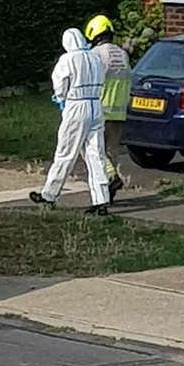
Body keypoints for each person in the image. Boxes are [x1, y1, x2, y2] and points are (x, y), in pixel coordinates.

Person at [30, 28, 111, 215]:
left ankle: (49, 194)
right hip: (96, 105)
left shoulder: (67, 60)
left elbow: (60, 86)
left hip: (76, 106)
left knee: (65, 153)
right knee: (96, 155)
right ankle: (102, 200)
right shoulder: (95, 57)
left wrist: (61, 98)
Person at [85, 13, 130, 201]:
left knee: (93, 149)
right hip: (119, 112)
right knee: (112, 151)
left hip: (101, 109)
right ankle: (109, 191)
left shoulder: (96, 55)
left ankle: (112, 178)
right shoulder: (122, 54)